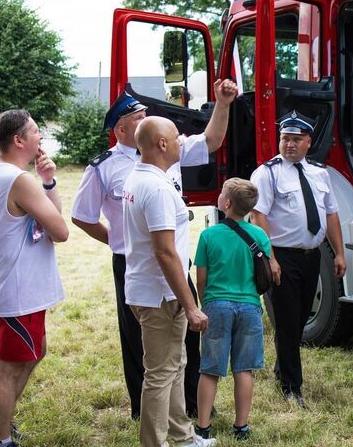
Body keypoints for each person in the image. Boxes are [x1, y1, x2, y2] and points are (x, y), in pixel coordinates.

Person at [71, 80, 238, 420]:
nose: (147, 117)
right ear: (121, 128)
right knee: (139, 341)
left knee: (188, 335)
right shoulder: (104, 167)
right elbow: (82, 217)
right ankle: (143, 411)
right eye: (139, 115)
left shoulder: (167, 149)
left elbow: (211, 140)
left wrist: (222, 104)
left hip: (175, 260)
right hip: (134, 264)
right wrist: (122, 242)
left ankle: (190, 405)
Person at [123, 116, 216, 447]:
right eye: (177, 137)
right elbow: (165, 252)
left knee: (174, 364)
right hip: (161, 295)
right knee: (160, 372)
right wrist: (191, 306)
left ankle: (181, 434)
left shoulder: (141, 176)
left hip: (153, 290)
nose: (182, 141)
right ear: (161, 144)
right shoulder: (158, 188)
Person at [0, 109, 68, 447]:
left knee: (35, 351)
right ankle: (0, 444)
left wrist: (47, 181)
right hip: (17, 290)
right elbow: (60, 231)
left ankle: (1, 424)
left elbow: (53, 219)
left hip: (22, 288)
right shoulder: (16, 179)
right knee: (10, 365)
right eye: (35, 133)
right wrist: (40, 187)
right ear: (18, 140)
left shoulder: (8, 174)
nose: (40, 138)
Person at [249, 111, 347, 408]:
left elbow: (330, 214)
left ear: (308, 142)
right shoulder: (267, 173)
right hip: (283, 257)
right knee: (289, 323)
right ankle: (292, 387)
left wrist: (339, 252)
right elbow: (258, 215)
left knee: (301, 317)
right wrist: (271, 258)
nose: (289, 145)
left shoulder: (320, 173)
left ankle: (283, 367)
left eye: (295, 139)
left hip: (311, 256)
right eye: (284, 139)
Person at [193, 178, 270, 442]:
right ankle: (241, 427)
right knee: (244, 369)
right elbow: (265, 274)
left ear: (226, 203)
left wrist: (205, 304)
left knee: (210, 369)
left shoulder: (208, 235)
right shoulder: (260, 236)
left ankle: (203, 427)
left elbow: (201, 278)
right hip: (249, 307)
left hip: (217, 304)